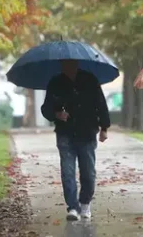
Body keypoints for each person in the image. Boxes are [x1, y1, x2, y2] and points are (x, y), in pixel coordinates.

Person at [41, 59, 110, 221]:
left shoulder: (89, 80)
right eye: (65, 64)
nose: (68, 67)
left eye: (71, 63)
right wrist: (57, 114)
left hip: (87, 132)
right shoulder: (56, 82)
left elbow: (101, 103)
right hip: (65, 133)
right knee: (67, 172)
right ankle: (73, 207)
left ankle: (85, 203)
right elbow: (46, 108)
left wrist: (104, 127)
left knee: (88, 172)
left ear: (77, 63)